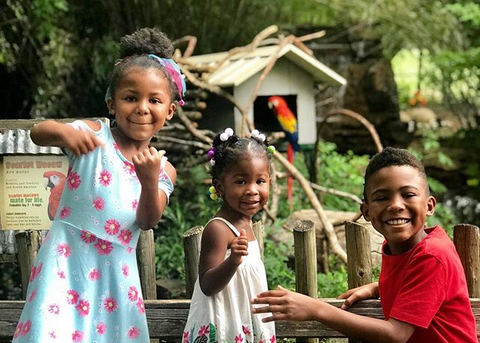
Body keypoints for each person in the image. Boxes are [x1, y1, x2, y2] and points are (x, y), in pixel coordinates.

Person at [12, 27, 185, 342]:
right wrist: (63, 133)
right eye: (130, 97)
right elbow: (39, 132)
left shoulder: (164, 170)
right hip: (65, 259)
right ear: (111, 103)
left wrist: (149, 181)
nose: (142, 108)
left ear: (169, 110)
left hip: (114, 275)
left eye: (154, 100)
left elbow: (147, 220)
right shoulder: (94, 135)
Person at [252, 147, 477, 343]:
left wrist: (316, 309)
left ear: (429, 206)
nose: (396, 205)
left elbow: (396, 334)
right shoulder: (406, 250)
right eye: (382, 198)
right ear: (366, 212)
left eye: (408, 195)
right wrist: (376, 287)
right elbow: (418, 284)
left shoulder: (432, 254)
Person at [182, 128, 276, 343]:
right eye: (241, 182)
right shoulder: (218, 229)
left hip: (243, 323)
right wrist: (233, 261)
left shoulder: (246, 222)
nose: (252, 190)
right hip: (223, 327)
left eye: (260, 181)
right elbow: (207, 285)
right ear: (220, 187)